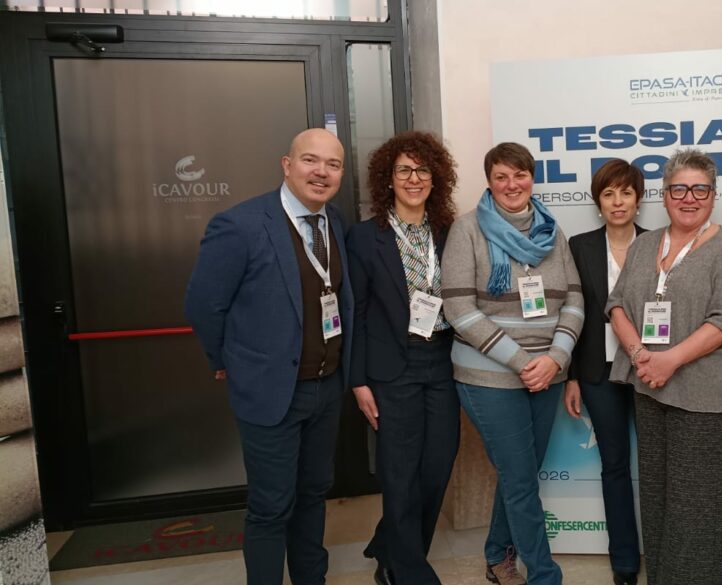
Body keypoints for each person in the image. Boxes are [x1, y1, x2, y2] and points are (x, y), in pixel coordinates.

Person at [185, 128, 352, 585]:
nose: (321, 172)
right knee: (271, 506)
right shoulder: (240, 225)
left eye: (333, 164)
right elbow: (203, 305)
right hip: (270, 394)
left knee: (313, 495)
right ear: (287, 164)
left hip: (326, 388)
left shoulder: (335, 223)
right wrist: (227, 361)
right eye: (310, 160)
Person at [607, 148, 722, 585]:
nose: (689, 198)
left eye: (700, 189)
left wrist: (670, 360)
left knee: (697, 510)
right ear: (664, 194)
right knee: (657, 501)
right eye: (679, 189)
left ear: (713, 195)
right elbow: (616, 305)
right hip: (650, 389)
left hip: (705, 397)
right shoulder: (644, 244)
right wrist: (640, 356)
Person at [441, 142, 584, 585]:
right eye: (501, 176)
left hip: (548, 373)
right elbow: (458, 310)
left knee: (519, 474)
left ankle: (496, 555)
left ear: (532, 179)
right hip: (489, 376)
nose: (511, 184)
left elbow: (575, 299)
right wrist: (524, 361)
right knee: (520, 479)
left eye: (520, 175)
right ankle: (544, 575)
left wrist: (556, 358)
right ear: (489, 181)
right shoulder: (467, 230)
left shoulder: (551, 231)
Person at [346, 131, 460, 585]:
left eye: (423, 169)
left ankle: (389, 544)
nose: (414, 179)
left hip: (443, 360)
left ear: (436, 177)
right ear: (388, 179)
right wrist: (358, 381)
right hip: (392, 367)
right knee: (400, 471)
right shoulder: (364, 237)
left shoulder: (450, 232)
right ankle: (407, 570)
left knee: (437, 466)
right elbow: (355, 312)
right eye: (404, 170)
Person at [563, 159, 646, 585]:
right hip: (598, 372)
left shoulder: (658, 243)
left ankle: (665, 551)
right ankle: (625, 562)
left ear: (638, 200)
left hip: (649, 370)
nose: (618, 202)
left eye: (626, 193)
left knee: (656, 467)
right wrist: (573, 376)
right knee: (614, 465)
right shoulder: (579, 246)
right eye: (608, 194)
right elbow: (572, 314)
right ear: (598, 202)